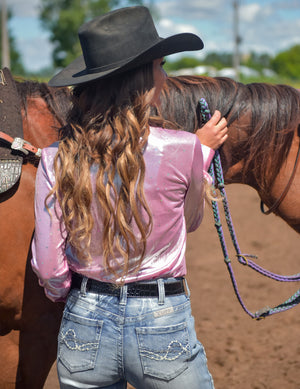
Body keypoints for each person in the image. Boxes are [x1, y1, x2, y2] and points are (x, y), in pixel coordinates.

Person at [31, 6, 228, 389]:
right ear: (141, 78)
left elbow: (52, 269)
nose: (165, 76)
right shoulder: (183, 148)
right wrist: (201, 153)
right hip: (161, 320)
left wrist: (72, 298)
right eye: (160, 65)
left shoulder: (55, 158)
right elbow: (188, 222)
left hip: (83, 324)